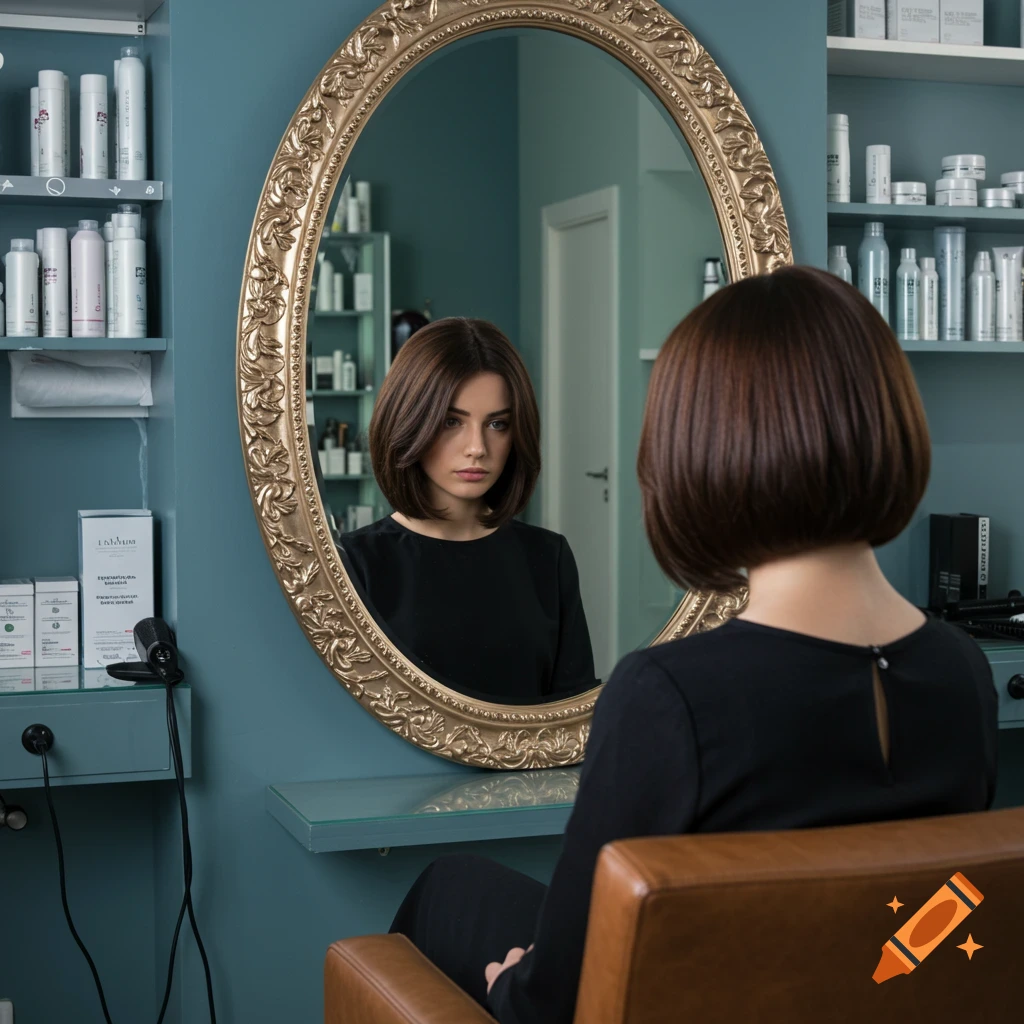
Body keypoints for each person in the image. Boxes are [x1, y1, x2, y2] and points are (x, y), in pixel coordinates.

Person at [388, 267, 999, 1023]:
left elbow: (558, 1004)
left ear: (701, 453)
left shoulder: (669, 697)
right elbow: (936, 926)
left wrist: (515, 982)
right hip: (860, 996)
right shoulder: (963, 672)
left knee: (446, 891)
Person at [341, 316, 598, 703]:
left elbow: (573, 709)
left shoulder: (548, 558)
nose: (477, 447)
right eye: (451, 422)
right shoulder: (355, 565)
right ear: (409, 420)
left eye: (497, 424)